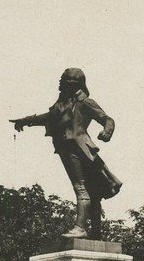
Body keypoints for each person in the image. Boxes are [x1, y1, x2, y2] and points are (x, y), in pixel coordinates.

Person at [10, 68, 122, 239]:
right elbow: (48, 117)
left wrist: (107, 132)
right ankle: (96, 234)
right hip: (67, 147)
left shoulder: (85, 103)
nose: (60, 83)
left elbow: (107, 119)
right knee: (93, 191)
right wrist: (26, 121)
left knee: (81, 187)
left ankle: (80, 228)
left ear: (73, 84)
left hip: (79, 148)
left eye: (63, 80)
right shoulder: (61, 105)